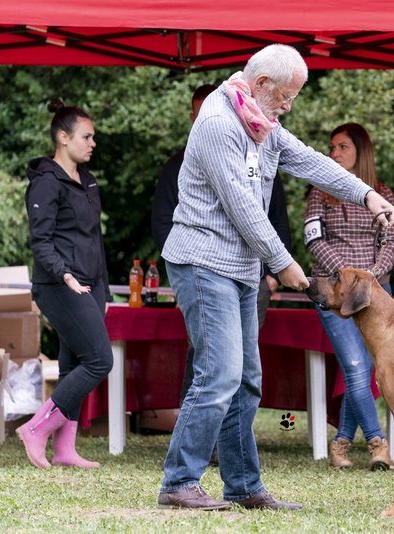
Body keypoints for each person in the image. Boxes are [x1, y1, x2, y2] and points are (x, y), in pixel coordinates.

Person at [157, 43, 394, 512]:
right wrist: (283, 262)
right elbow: (243, 208)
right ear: (262, 84)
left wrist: (366, 194)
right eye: (286, 96)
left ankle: (244, 487)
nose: (289, 106)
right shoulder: (218, 124)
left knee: (246, 380)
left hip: (240, 268)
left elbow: (310, 161)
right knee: (218, 375)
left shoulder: (260, 122)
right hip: (204, 262)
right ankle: (179, 482)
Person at [151, 85, 292, 407]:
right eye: (202, 115)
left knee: (244, 365)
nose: (211, 121)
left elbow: (276, 218)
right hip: (205, 269)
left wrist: (271, 274)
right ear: (192, 118)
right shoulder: (178, 164)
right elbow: (162, 223)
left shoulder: (257, 153)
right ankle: (197, 438)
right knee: (210, 361)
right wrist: (184, 266)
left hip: (252, 276)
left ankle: (234, 444)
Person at [18, 98, 113, 469]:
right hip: (58, 286)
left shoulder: (87, 182)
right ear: (63, 137)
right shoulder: (45, 183)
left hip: (90, 285)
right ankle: (36, 429)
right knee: (99, 360)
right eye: (86, 137)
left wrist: (101, 286)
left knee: (75, 365)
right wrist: (66, 275)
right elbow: (40, 242)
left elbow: (94, 239)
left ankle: (65, 450)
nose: (92, 143)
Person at [304, 123, 394, 470]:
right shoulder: (319, 192)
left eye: (342, 146)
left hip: (377, 294)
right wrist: (347, 278)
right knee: (357, 367)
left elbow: (392, 243)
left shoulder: (383, 194)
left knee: (362, 369)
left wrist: (368, 278)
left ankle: (341, 446)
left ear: (362, 151)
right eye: (331, 147)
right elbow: (314, 241)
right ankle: (378, 445)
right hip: (334, 291)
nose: (334, 153)